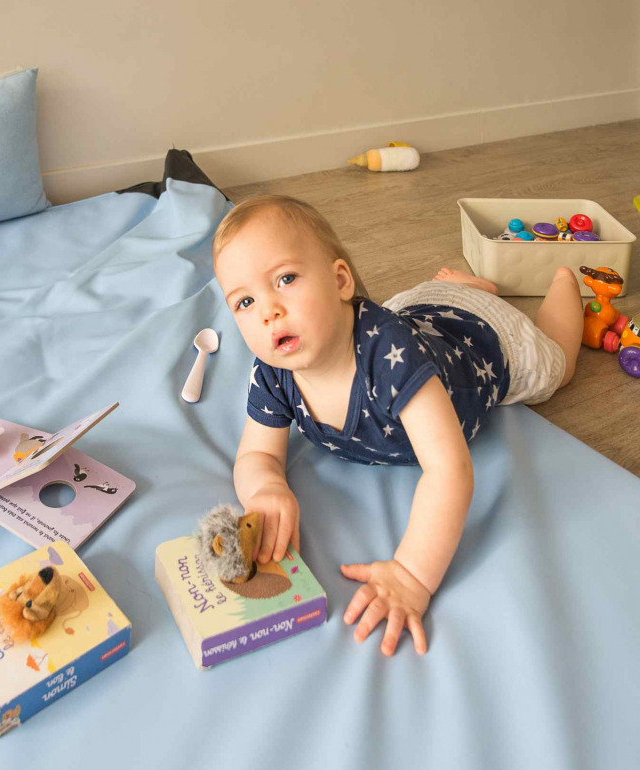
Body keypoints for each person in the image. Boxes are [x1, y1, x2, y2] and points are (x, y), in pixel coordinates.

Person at [212, 194, 583, 656]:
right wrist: (265, 488)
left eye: (285, 279)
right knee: (426, 305)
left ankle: (566, 284)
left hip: (486, 338)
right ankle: (469, 286)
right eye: (245, 301)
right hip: (421, 305)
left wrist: (411, 574)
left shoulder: (391, 361)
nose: (268, 311)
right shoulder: (274, 369)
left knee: (557, 367)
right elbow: (257, 455)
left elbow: (449, 469)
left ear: (340, 279)